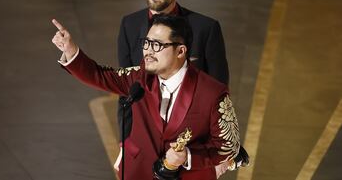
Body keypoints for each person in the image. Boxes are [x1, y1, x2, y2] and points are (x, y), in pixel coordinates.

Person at [51, 15, 240, 180]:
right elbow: (99, 76)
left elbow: (228, 146)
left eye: (157, 45)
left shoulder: (213, 92)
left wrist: (188, 156)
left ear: (181, 51)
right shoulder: (139, 77)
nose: (148, 51)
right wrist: (70, 50)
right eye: (146, 43)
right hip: (138, 172)